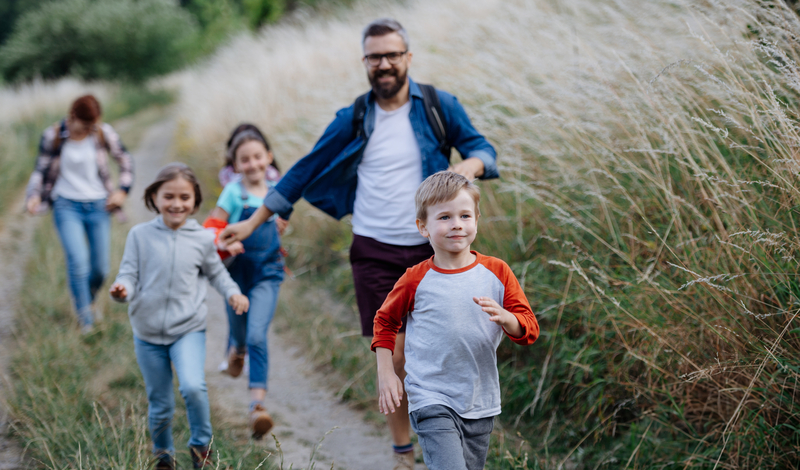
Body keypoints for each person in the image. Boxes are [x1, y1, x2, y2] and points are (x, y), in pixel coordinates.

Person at [219, 18, 498, 468]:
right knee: (395, 351)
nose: (384, 64)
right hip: (372, 249)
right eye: (374, 56)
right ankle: (403, 450)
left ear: (407, 57)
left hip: (430, 252)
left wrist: (469, 167)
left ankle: (446, 439)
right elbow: (304, 169)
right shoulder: (354, 116)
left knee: (437, 352)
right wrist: (254, 222)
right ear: (365, 62)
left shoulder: (439, 107)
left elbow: (485, 149)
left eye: (392, 54)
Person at [372, 171, 539, 470]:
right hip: (430, 396)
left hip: (479, 399)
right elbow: (385, 322)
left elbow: (529, 328)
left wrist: (508, 319)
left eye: (464, 215)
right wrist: (387, 373)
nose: (457, 225)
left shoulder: (497, 272)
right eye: (445, 217)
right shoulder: (415, 278)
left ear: (476, 219)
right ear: (423, 227)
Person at [109, 163, 249, 470]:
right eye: (168, 196)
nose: (176, 204)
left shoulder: (201, 238)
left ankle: (201, 450)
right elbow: (129, 274)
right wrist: (123, 290)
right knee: (160, 404)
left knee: (193, 387)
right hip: (147, 334)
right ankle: (163, 456)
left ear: (195, 201)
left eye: (184, 197)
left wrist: (233, 292)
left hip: (188, 329)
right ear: (154, 197)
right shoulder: (139, 235)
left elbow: (217, 274)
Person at [25, 94, 134, 333]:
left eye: (93, 124)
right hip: (66, 205)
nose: (90, 129)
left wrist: (123, 190)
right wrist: (33, 195)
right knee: (78, 263)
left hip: (98, 206)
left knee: (101, 268)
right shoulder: (52, 135)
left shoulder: (103, 133)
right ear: (72, 116)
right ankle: (85, 320)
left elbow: (125, 160)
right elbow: (40, 170)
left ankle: (89, 300)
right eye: (86, 124)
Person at [206, 124, 286, 438]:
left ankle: (257, 407)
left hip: (268, 273)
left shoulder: (280, 190)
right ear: (235, 165)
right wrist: (225, 241)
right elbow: (212, 228)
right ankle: (235, 350)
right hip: (236, 276)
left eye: (257, 157)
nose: (252, 165)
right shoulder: (232, 192)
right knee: (240, 334)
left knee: (257, 334)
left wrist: (282, 224)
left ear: (268, 157)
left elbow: (284, 218)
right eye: (245, 160)